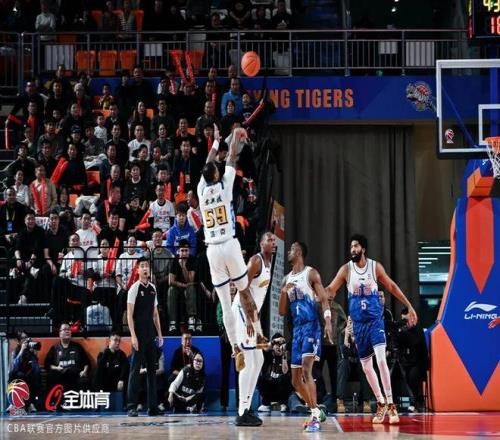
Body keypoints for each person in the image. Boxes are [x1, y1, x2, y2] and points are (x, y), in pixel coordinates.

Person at [326, 234, 418, 424]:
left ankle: (391, 404)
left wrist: (409, 305)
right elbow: (330, 290)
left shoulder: (375, 267)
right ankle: (380, 402)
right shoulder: (346, 270)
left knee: (381, 361)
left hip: (375, 322)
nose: (352, 249)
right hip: (359, 326)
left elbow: (391, 286)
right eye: (351, 246)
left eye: (356, 246)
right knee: (367, 368)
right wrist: (316, 292)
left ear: (363, 249)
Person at [197, 126, 265, 373]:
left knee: (225, 303)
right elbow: (232, 157)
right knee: (244, 290)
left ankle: (236, 347)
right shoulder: (225, 184)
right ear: (216, 174)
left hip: (212, 250)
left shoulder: (201, 190)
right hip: (228, 243)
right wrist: (235, 136)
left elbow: (208, 163)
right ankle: (257, 333)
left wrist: (215, 142)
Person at [279, 242, 332, 432]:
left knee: (306, 370)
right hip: (297, 331)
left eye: (292, 249)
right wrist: (283, 292)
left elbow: (324, 300)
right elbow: (282, 311)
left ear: (299, 252)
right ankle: (315, 410)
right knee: (295, 380)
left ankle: (315, 419)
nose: (289, 252)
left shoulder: (311, 274)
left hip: (311, 326)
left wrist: (328, 322)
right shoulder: (286, 279)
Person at [232, 232, 275, 426]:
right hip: (243, 311)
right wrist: (249, 320)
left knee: (259, 359)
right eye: (268, 240)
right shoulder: (256, 261)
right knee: (249, 361)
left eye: (273, 240)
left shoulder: (269, 263)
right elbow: (242, 289)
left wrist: (258, 326)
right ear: (261, 243)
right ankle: (242, 412)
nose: (272, 242)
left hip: (252, 314)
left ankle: (247, 407)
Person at [126, 257, 164, 417]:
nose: (145, 268)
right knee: (135, 370)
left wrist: (160, 334)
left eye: (147, 266)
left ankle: (152, 407)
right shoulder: (134, 288)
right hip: (139, 332)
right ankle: (131, 406)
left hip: (150, 333)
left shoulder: (153, 288)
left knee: (152, 371)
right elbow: (129, 314)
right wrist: (133, 336)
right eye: (142, 266)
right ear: (137, 270)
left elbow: (155, 314)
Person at [44, 323, 91, 395]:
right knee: (51, 375)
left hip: (75, 376)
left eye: (69, 329)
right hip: (61, 376)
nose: (67, 331)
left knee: (84, 381)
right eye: (65, 329)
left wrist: (84, 371)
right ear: (60, 333)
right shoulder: (55, 348)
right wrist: (56, 368)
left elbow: (86, 362)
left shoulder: (77, 347)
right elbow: (47, 364)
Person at [257, 333, 293, 414]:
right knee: (261, 379)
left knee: (286, 378)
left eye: (281, 344)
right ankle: (266, 404)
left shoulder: (287, 355)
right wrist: (274, 341)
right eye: (277, 344)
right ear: (272, 346)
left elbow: (285, 371)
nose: (279, 347)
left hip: (281, 390)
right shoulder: (267, 354)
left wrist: (284, 356)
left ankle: (283, 404)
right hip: (269, 389)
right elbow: (262, 347)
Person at [167, 239, 197, 333]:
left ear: (189, 251)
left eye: (186, 251)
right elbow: (170, 281)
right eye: (182, 250)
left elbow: (190, 280)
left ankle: (191, 320)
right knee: (171, 290)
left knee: (191, 288)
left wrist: (183, 266)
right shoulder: (175, 260)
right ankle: (172, 322)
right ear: (178, 251)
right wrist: (181, 284)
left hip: (189, 287)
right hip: (178, 286)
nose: (184, 253)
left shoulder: (192, 259)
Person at [9, 330, 41, 412]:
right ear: (18, 341)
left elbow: (35, 367)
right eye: (23, 338)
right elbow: (14, 367)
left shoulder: (30, 351)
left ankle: (31, 403)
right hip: (19, 376)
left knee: (35, 375)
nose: (25, 340)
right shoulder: (15, 352)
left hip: (30, 376)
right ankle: (14, 403)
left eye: (26, 337)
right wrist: (22, 350)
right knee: (16, 375)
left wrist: (34, 353)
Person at [94, 332, 129, 397]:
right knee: (97, 374)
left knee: (127, 378)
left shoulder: (122, 354)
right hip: (105, 381)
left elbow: (125, 368)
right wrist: (106, 352)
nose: (118, 343)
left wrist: (121, 379)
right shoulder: (102, 354)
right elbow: (100, 368)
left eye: (119, 341)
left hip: (117, 380)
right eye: (115, 340)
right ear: (109, 341)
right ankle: (100, 400)